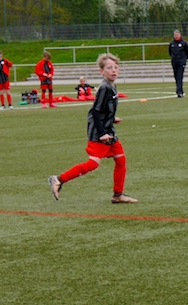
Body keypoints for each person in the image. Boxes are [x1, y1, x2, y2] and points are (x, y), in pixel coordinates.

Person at [48, 53, 138, 204]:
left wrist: (111, 119)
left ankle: (118, 195)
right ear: (101, 71)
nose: (114, 70)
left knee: (121, 159)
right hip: (99, 132)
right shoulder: (105, 88)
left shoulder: (111, 86)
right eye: (109, 68)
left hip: (108, 129)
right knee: (93, 163)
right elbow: (95, 112)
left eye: (116, 67)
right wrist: (102, 133)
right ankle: (58, 179)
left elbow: (103, 110)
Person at [169, 30, 188, 98]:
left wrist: (184, 59)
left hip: (181, 62)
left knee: (179, 76)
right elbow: (170, 52)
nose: (176, 36)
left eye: (177, 35)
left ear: (180, 35)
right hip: (174, 61)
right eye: (175, 35)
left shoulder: (184, 43)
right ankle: (179, 90)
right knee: (176, 76)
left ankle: (179, 92)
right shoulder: (171, 44)